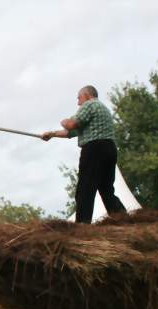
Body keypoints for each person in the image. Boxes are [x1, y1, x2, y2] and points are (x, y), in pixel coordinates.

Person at [42, 85, 126, 223]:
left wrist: (63, 121)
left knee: (85, 188)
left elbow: (70, 125)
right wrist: (52, 134)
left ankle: (82, 224)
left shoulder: (90, 105)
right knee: (106, 189)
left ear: (87, 95)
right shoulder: (102, 109)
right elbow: (72, 133)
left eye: (79, 98)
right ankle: (122, 218)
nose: (78, 103)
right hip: (109, 149)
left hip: (95, 149)